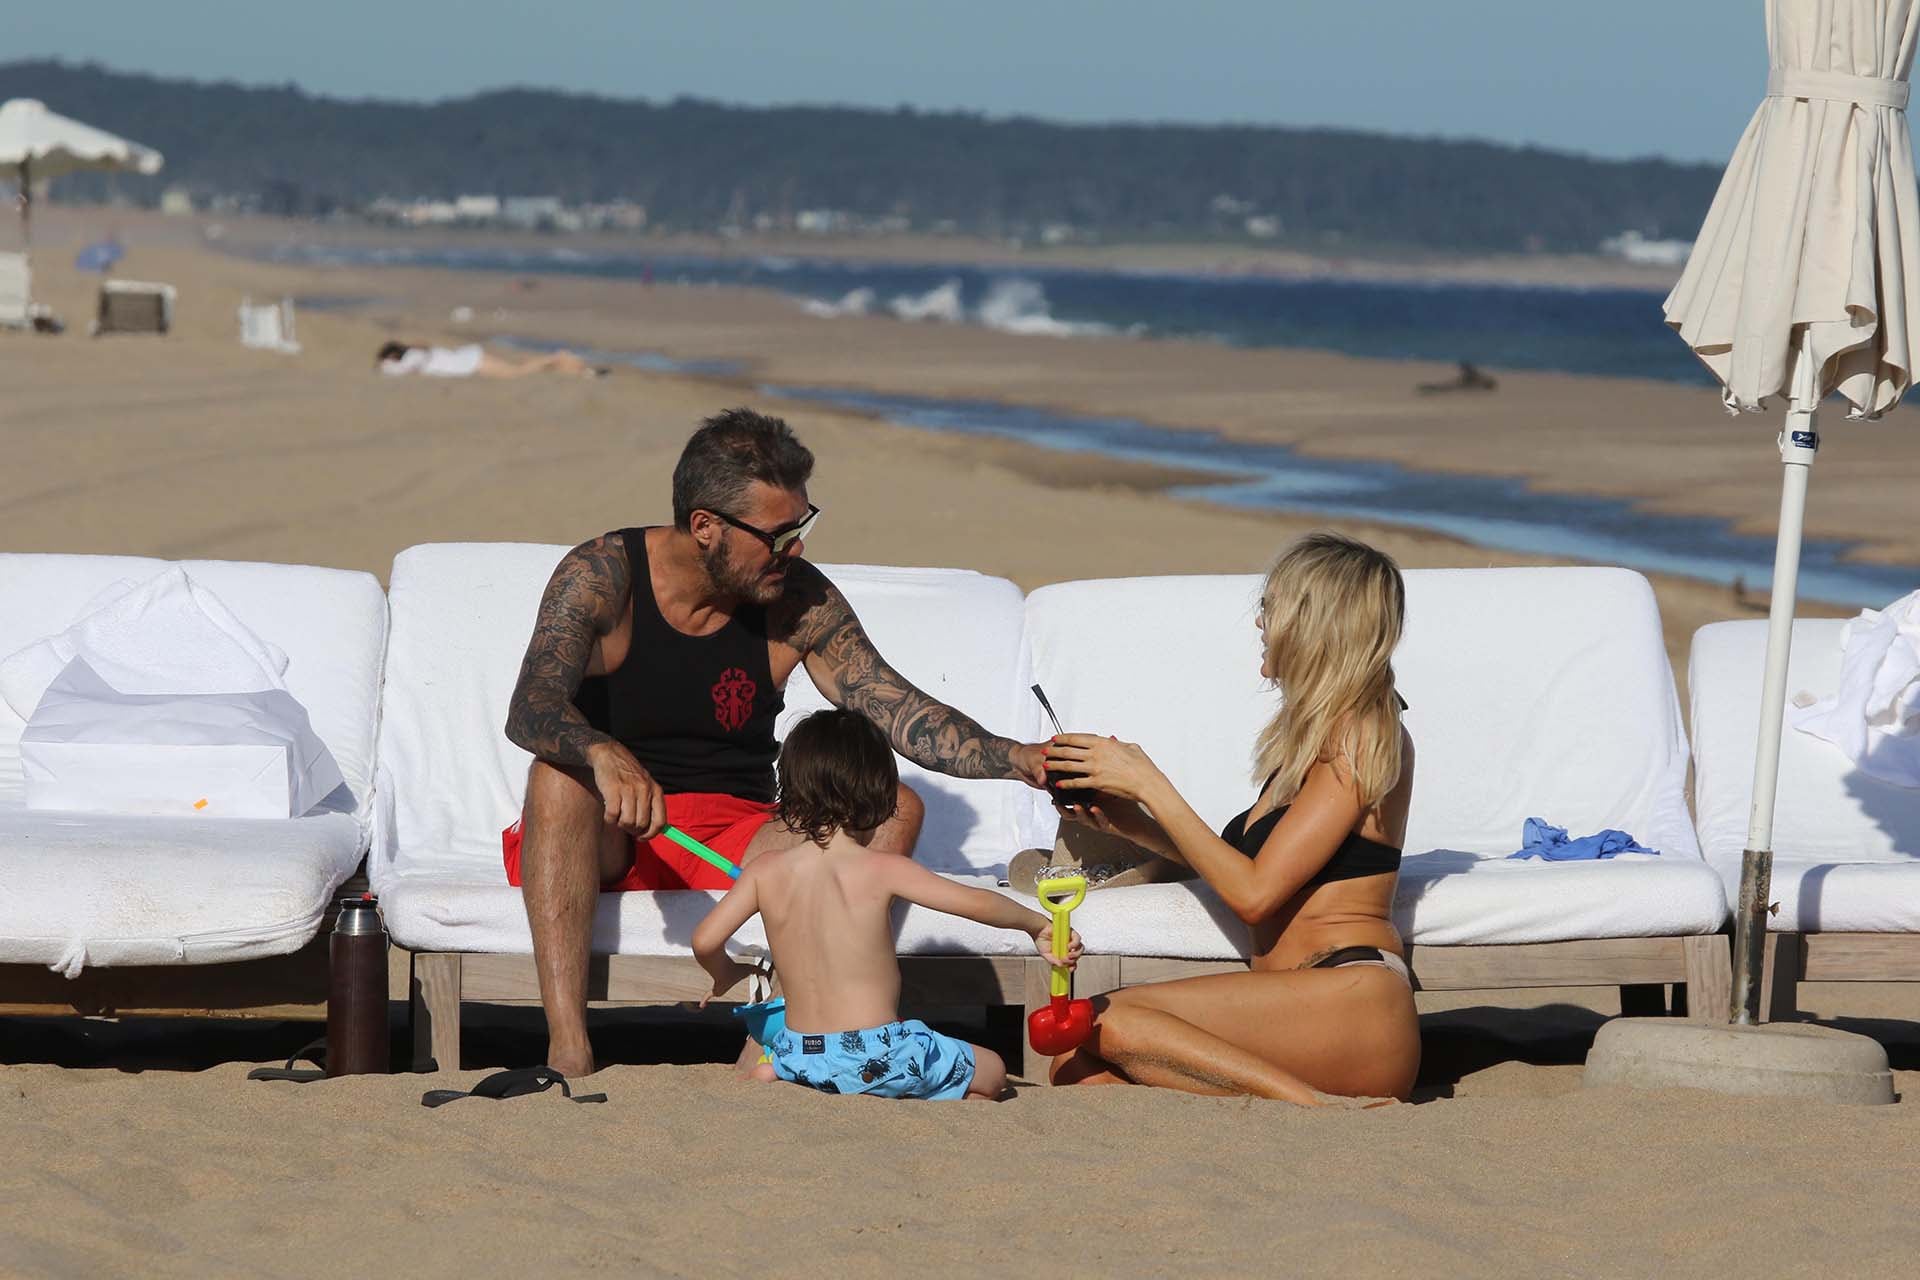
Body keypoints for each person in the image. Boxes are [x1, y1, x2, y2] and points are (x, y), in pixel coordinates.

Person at [503, 408, 1050, 1077]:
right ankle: (568, 1047)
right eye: (776, 534)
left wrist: (1017, 758)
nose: (794, 549)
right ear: (705, 527)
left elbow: (897, 708)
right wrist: (599, 751)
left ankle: (781, 1043)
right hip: (612, 827)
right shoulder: (604, 575)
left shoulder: (797, 600)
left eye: (802, 524)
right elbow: (530, 707)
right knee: (554, 776)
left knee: (894, 807)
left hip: (740, 834)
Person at [1043, 532, 1420, 1105]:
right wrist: (1127, 821)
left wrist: (1150, 780)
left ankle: (1318, 1110)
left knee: (1103, 1023)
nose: (1260, 623)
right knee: (1073, 1064)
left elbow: (1255, 895)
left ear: (1311, 622)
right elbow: (1241, 867)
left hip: (1350, 997)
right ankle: (1290, 1106)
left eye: (1269, 607)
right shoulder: (1311, 743)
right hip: (1294, 1004)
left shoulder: (1364, 730)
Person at [691, 710, 1081, 1100]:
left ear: (793, 789)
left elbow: (705, 941)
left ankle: (775, 1072)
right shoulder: (882, 868)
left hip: (797, 1051)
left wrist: (726, 973)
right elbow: (976, 902)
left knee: (808, 1059)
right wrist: (1037, 925)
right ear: (878, 791)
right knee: (993, 1071)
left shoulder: (766, 869)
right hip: (878, 1053)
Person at [375, 339, 603, 378]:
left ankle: (557, 356)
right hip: (469, 360)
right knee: (520, 370)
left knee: (516, 371)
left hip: (470, 361)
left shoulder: (412, 358)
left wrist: (384, 364)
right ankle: (569, 367)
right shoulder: (416, 354)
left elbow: (391, 370)